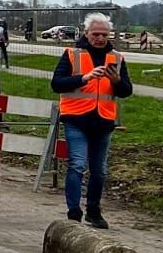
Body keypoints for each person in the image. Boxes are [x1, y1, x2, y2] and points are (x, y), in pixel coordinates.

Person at [50, 12, 133, 229]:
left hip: (103, 120)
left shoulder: (117, 58)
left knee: (100, 170)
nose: (100, 38)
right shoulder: (72, 54)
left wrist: (116, 82)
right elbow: (57, 83)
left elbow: (126, 91)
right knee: (77, 164)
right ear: (86, 34)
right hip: (76, 118)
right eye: (96, 34)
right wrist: (83, 78)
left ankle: (94, 212)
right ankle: (74, 212)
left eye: (104, 34)